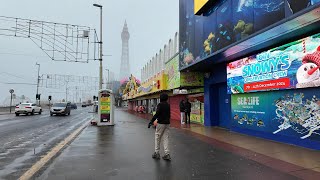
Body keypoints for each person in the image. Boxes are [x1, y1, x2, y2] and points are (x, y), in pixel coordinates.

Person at [148, 93, 171, 161]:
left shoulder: (160, 105)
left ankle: (156, 153)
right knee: (166, 138)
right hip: (167, 123)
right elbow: (169, 115)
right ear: (166, 98)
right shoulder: (168, 105)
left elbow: (157, 114)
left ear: (161, 98)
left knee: (157, 137)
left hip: (161, 123)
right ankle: (167, 154)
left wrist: (151, 121)